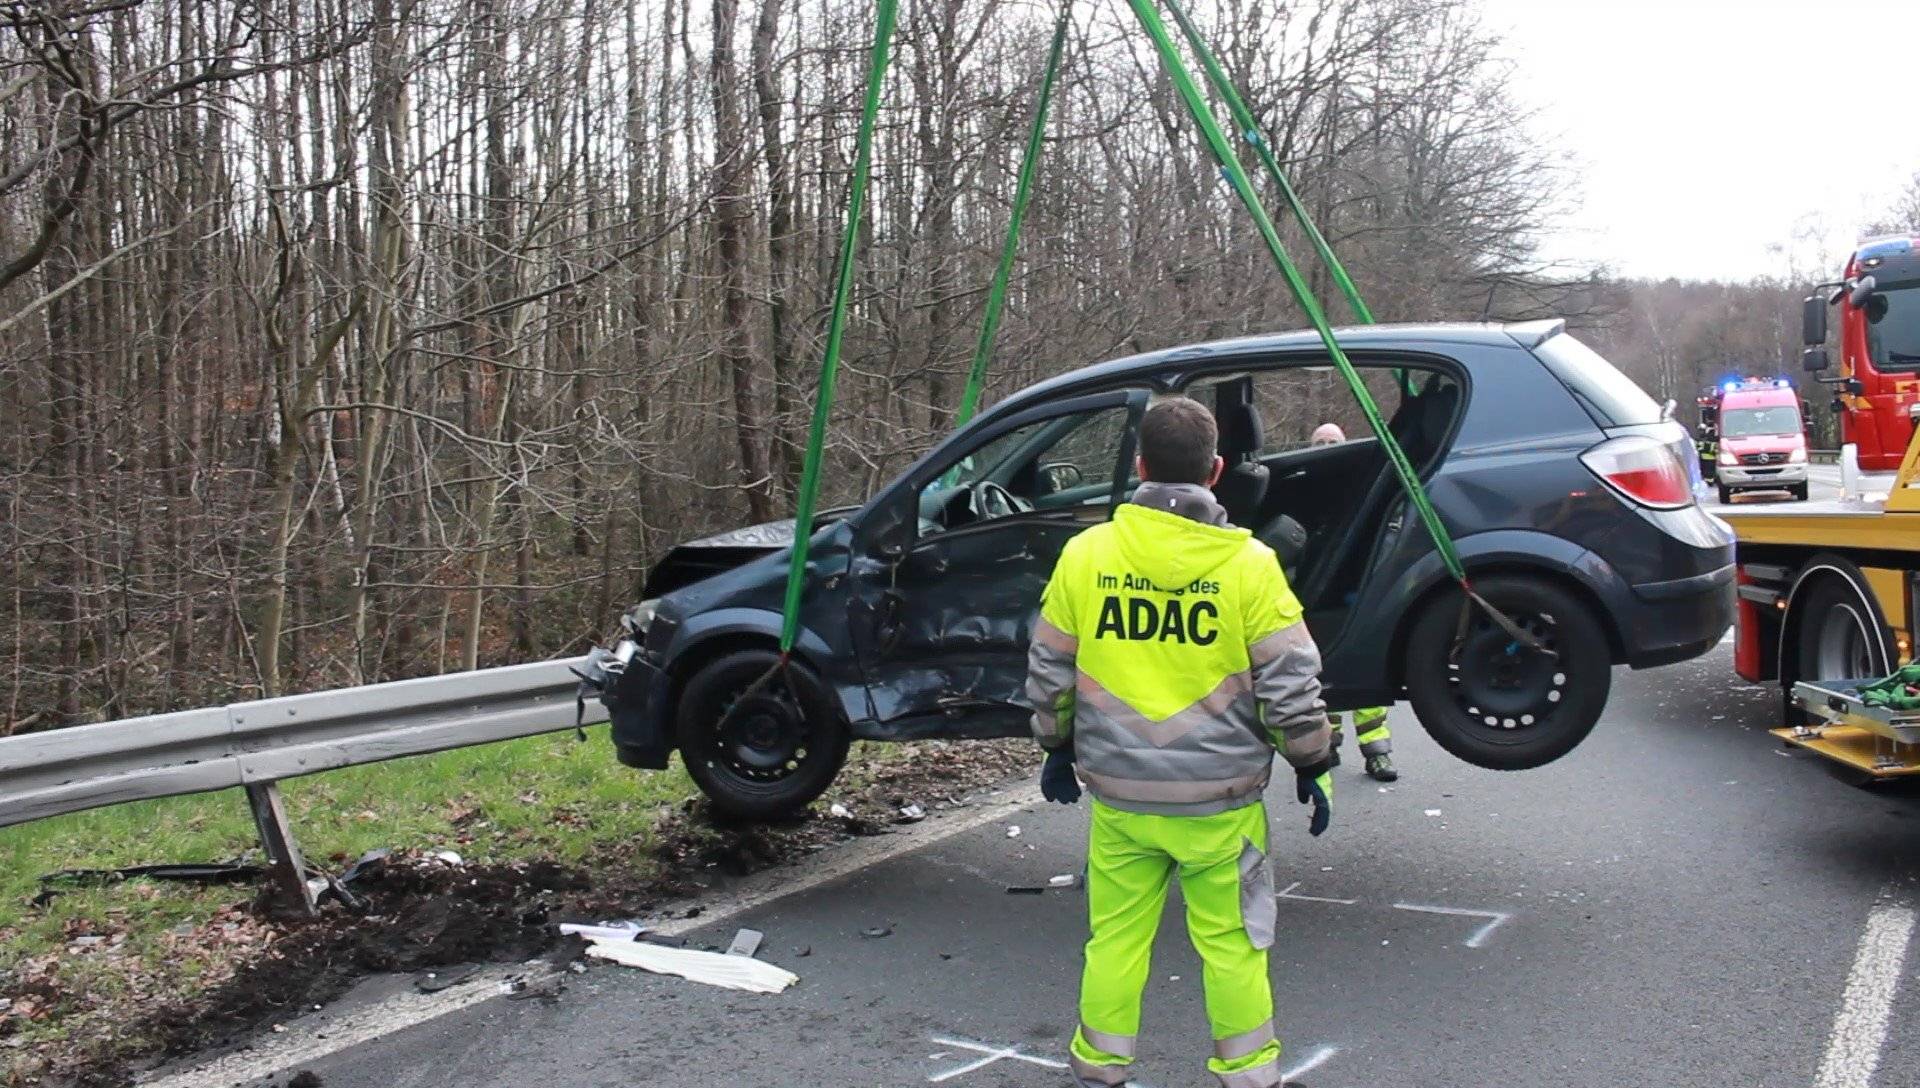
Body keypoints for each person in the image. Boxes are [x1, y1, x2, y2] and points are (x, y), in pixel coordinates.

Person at [1024, 395, 1336, 1088]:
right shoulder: (1250, 566)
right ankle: (1249, 1074)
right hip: (1220, 805)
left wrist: (1055, 744)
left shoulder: (1087, 556)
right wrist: (1313, 760)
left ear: (1138, 466)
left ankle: (1099, 1066)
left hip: (1122, 800)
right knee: (1232, 944)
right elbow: (1291, 685)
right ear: (1217, 470)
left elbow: (1049, 670)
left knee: (1116, 939)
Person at [1307, 422, 1398, 784]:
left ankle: (1378, 754)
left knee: (1362, 679)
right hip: (1316, 596)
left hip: (1354, 592)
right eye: (1321, 442)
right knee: (1321, 678)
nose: (1327, 447)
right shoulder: (1306, 484)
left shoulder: (1358, 484)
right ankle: (1327, 746)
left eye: (1333, 442)